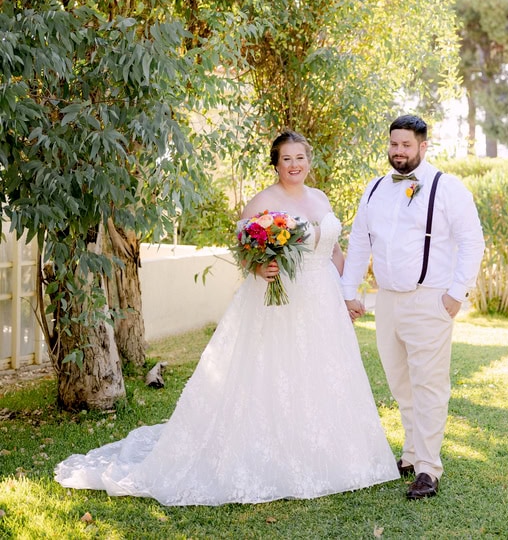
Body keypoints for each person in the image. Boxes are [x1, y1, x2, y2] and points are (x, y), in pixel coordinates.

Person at [54, 130, 399, 505]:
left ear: (309, 161)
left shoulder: (320, 198)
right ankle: (276, 451)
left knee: (323, 371)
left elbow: (334, 251)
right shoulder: (264, 201)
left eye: (300, 157)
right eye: (286, 159)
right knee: (278, 371)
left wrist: (347, 294)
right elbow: (245, 249)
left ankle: (331, 452)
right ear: (276, 164)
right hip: (282, 300)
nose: (294, 165)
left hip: (323, 299)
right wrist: (259, 268)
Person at [342, 115, 484, 500]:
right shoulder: (375, 188)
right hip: (387, 299)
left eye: (406, 145)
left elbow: (472, 241)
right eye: (394, 144)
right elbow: (360, 242)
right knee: (400, 382)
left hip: (430, 299)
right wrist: (349, 290)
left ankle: (428, 468)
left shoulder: (447, 187)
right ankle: (410, 453)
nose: (398, 151)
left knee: (428, 384)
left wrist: (456, 293)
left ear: (423, 146)